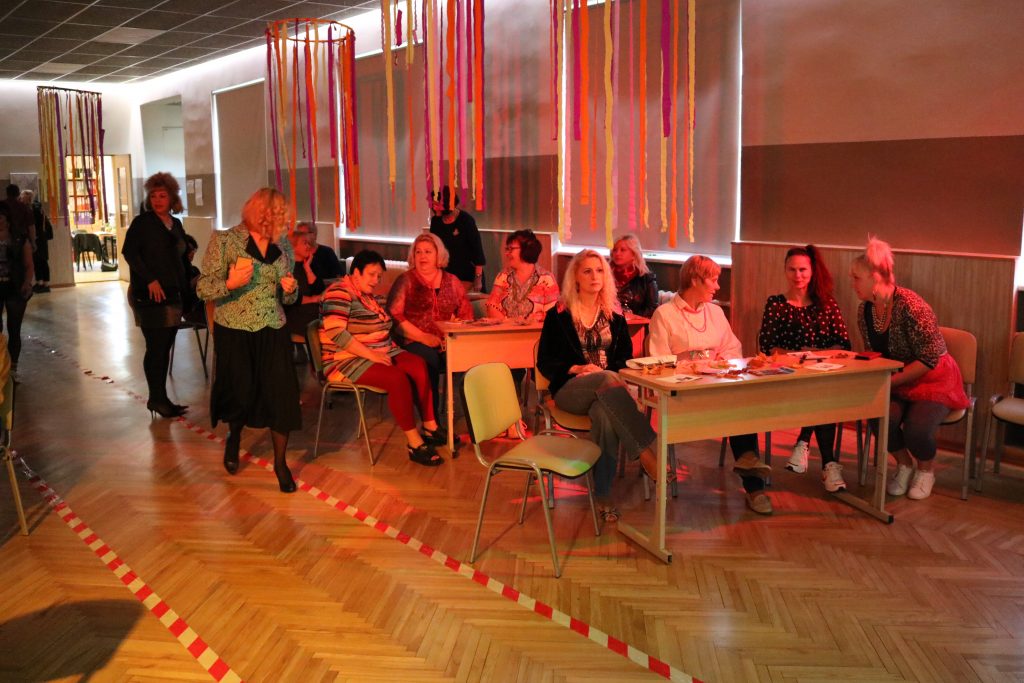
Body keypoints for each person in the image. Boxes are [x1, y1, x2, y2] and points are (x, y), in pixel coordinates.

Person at [536, 249, 660, 523]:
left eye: (600, 270)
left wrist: (608, 375)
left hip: (608, 395)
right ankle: (646, 451)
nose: (595, 276)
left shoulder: (615, 317)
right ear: (576, 278)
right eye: (587, 271)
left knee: (605, 414)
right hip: (571, 389)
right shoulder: (558, 315)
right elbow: (545, 361)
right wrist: (578, 368)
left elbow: (624, 360)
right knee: (606, 379)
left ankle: (603, 495)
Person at [648, 255, 774, 515]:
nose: (717, 286)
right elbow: (659, 361)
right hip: (683, 392)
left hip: (716, 386)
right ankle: (750, 470)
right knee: (735, 404)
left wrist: (709, 360)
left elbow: (733, 349)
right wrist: (700, 358)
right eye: (713, 280)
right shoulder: (664, 314)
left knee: (742, 397)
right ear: (695, 280)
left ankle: (753, 481)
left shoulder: (715, 312)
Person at [197, 187, 301, 493]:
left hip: (273, 326)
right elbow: (202, 288)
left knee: (281, 396)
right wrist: (229, 283)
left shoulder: (283, 245)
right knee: (240, 393)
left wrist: (290, 289)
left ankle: (281, 464)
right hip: (235, 329)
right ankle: (234, 437)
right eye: (279, 214)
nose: (283, 220)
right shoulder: (225, 240)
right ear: (263, 213)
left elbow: (288, 297)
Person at [850, 237, 968, 500]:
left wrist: (890, 382)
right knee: (880, 418)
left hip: (932, 378)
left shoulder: (912, 305)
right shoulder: (864, 310)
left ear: (875, 278)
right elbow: (875, 354)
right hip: (897, 378)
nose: (853, 284)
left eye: (856, 278)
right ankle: (904, 464)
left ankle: (926, 470)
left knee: (918, 429)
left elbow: (929, 359)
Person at [320, 250, 446, 466]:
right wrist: (372, 354)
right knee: (397, 379)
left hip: (382, 350)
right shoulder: (339, 292)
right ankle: (414, 443)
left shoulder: (367, 295)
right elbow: (336, 333)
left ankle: (430, 426)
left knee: (418, 365)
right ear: (356, 272)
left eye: (379, 276)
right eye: (372, 274)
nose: (376, 280)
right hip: (347, 359)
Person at [757, 245, 852, 491]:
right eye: (792, 270)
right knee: (821, 395)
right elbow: (767, 346)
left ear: (812, 271)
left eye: (802, 270)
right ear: (784, 270)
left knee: (821, 392)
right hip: (788, 378)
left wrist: (816, 355)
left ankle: (804, 443)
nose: (797, 275)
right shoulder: (776, 304)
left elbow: (844, 344)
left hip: (823, 377)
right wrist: (799, 356)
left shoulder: (827, 304)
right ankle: (828, 464)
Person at [121, 172, 189, 418]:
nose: (158, 200)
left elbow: (179, 253)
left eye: (162, 196)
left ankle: (161, 398)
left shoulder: (175, 224)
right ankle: (157, 398)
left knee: (165, 346)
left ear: (172, 198)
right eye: (153, 196)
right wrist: (150, 279)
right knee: (156, 348)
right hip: (149, 295)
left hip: (173, 293)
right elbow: (130, 253)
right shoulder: (143, 223)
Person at [387, 233, 472, 415]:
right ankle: (431, 421)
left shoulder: (452, 281)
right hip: (412, 341)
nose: (422, 256)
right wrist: (423, 337)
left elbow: (466, 315)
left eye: (427, 252)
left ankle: (479, 418)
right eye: (418, 252)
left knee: (473, 360)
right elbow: (394, 316)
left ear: (438, 255)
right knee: (428, 360)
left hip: (446, 341)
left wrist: (455, 329)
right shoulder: (406, 280)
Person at [485, 229, 559, 322]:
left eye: (511, 249)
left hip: (536, 330)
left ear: (526, 249)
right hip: (504, 330)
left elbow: (553, 316)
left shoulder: (546, 278)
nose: (506, 253)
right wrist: (509, 325)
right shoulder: (503, 276)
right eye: (507, 249)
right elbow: (491, 306)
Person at [0, 202, 34, 381]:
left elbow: (28, 264)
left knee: (14, 329)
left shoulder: (20, 239)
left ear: (7, 220)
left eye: (0, 218)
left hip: (15, 287)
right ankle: (1, 367)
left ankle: (13, 368)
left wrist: (27, 282)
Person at [429, 185, 485, 292]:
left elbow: (478, 251)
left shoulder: (466, 220)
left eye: (438, 204)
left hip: (467, 274)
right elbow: (433, 247)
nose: (434, 208)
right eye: (433, 204)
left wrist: (478, 278)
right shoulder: (435, 221)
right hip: (446, 274)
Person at [283, 229, 325, 337]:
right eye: (304, 243)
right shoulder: (286, 268)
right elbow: (290, 299)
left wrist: (307, 269)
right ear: (293, 247)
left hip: (312, 310)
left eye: (308, 243)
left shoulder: (311, 264)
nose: (308, 246)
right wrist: (313, 299)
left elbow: (319, 290)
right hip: (295, 314)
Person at [610, 234, 658, 317]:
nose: (617, 253)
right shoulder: (605, 275)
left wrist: (631, 318)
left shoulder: (646, 278)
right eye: (615, 250)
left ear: (634, 254)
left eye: (622, 250)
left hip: (636, 322)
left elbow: (652, 309)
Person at [20, 191, 52, 293]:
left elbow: (36, 225)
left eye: (23, 197)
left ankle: (45, 284)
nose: (21, 199)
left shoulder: (35, 209)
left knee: (42, 260)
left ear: (28, 198)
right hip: (37, 238)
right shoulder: (32, 208)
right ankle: (40, 283)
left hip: (39, 238)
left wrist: (34, 237)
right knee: (37, 261)